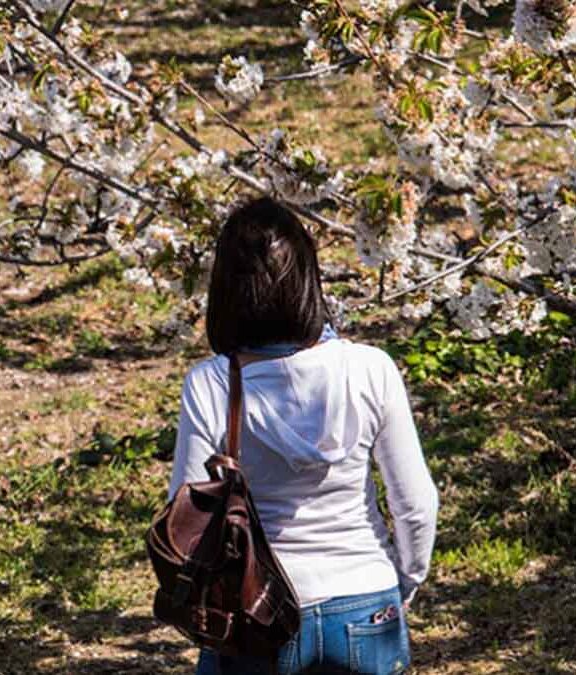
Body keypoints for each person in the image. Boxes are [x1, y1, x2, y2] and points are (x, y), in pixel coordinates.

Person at [169, 197, 439, 674]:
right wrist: (402, 581)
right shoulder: (370, 368)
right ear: (308, 280)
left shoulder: (212, 382)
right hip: (364, 595)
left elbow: (186, 515)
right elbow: (415, 502)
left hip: (254, 611)